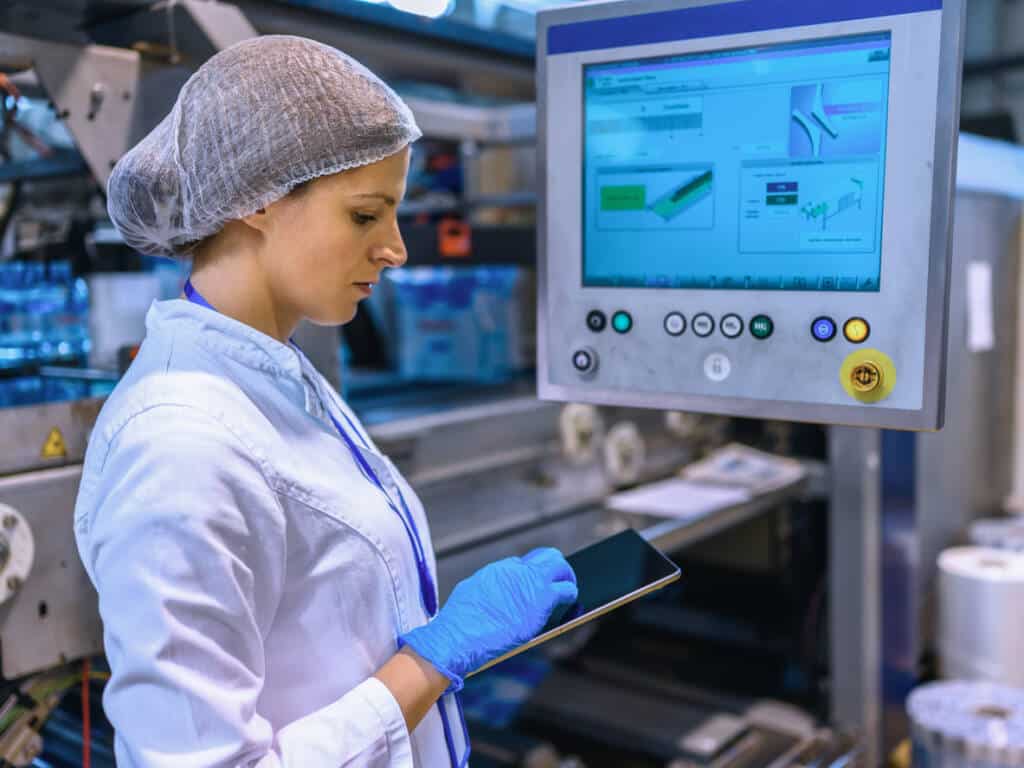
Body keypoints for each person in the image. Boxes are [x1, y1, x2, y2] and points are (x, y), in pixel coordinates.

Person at [73, 35, 578, 768]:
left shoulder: (275, 373)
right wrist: (432, 661)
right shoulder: (179, 445)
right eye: (366, 215)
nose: (396, 248)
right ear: (257, 201)